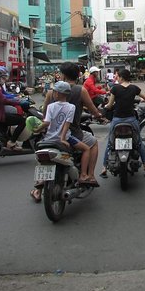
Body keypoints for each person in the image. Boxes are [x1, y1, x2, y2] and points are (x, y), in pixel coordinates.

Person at [31, 62, 103, 201]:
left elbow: (45, 115)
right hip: (73, 133)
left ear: (63, 75)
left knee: (43, 153)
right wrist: (100, 116)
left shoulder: (51, 93)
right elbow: (93, 110)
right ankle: (88, 175)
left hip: (50, 134)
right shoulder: (80, 90)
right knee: (93, 143)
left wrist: (38, 129)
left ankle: (38, 186)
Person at [36, 81, 99, 186]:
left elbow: (46, 123)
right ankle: (84, 175)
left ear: (56, 93)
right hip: (66, 137)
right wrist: (63, 138)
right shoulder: (71, 107)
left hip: (49, 138)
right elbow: (67, 124)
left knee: (40, 152)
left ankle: (41, 179)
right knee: (86, 149)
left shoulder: (51, 106)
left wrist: (37, 129)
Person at [99, 69, 145, 177]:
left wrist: (105, 107)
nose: (116, 78)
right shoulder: (134, 88)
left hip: (117, 119)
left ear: (122, 77)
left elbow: (110, 105)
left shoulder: (115, 88)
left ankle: (104, 168)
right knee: (138, 142)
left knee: (110, 143)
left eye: (117, 76)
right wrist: (140, 100)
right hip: (131, 120)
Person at [0, 66, 28, 150]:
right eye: (3, 78)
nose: (4, 80)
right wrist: (19, 102)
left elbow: (6, 94)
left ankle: (6, 141)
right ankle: (12, 142)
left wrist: (16, 96)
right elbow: (3, 100)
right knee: (22, 121)